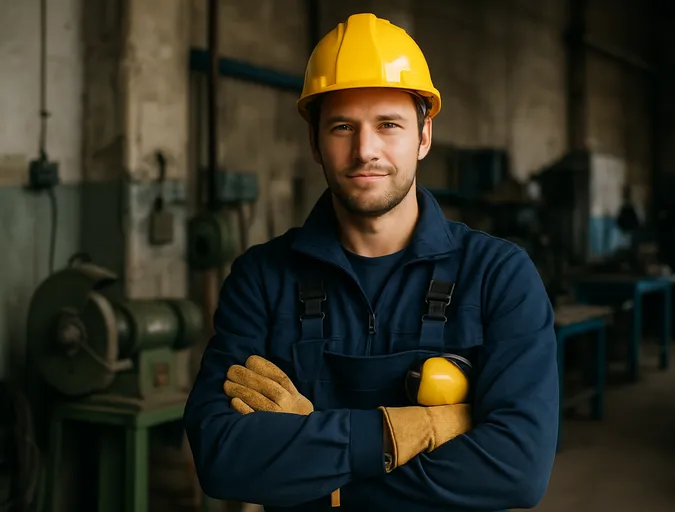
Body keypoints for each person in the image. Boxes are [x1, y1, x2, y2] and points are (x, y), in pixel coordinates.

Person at [184, 12, 559, 512]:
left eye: (388, 125)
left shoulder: (498, 276)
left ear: (424, 136)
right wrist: (411, 429)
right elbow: (222, 456)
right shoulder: (262, 279)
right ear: (315, 141)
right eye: (343, 127)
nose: (365, 150)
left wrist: (323, 471)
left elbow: (517, 470)